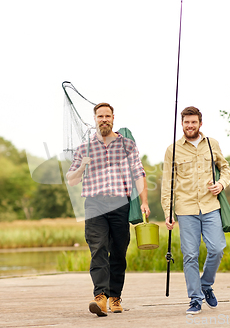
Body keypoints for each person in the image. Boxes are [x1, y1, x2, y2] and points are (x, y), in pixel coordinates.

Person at [66, 102, 150, 317]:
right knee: (98, 248)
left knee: (119, 252)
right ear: (94, 119)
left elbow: (139, 173)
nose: (104, 119)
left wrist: (144, 202)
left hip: (120, 203)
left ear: (113, 118)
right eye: (100, 116)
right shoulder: (84, 147)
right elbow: (71, 180)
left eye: (107, 116)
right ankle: (100, 297)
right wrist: (83, 165)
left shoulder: (126, 145)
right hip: (94, 203)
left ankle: (115, 297)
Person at [161, 106, 230, 315]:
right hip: (185, 208)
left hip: (210, 207)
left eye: (193, 122)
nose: (190, 126)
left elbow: (225, 167)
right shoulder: (172, 150)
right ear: (181, 124)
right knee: (190, 255)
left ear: (201, 123)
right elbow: (168, 183)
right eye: (186, 122)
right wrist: (168, 211)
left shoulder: (212, 144)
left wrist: (221, 183)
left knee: (217, 248)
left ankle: (205, 285)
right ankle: (195, 298)